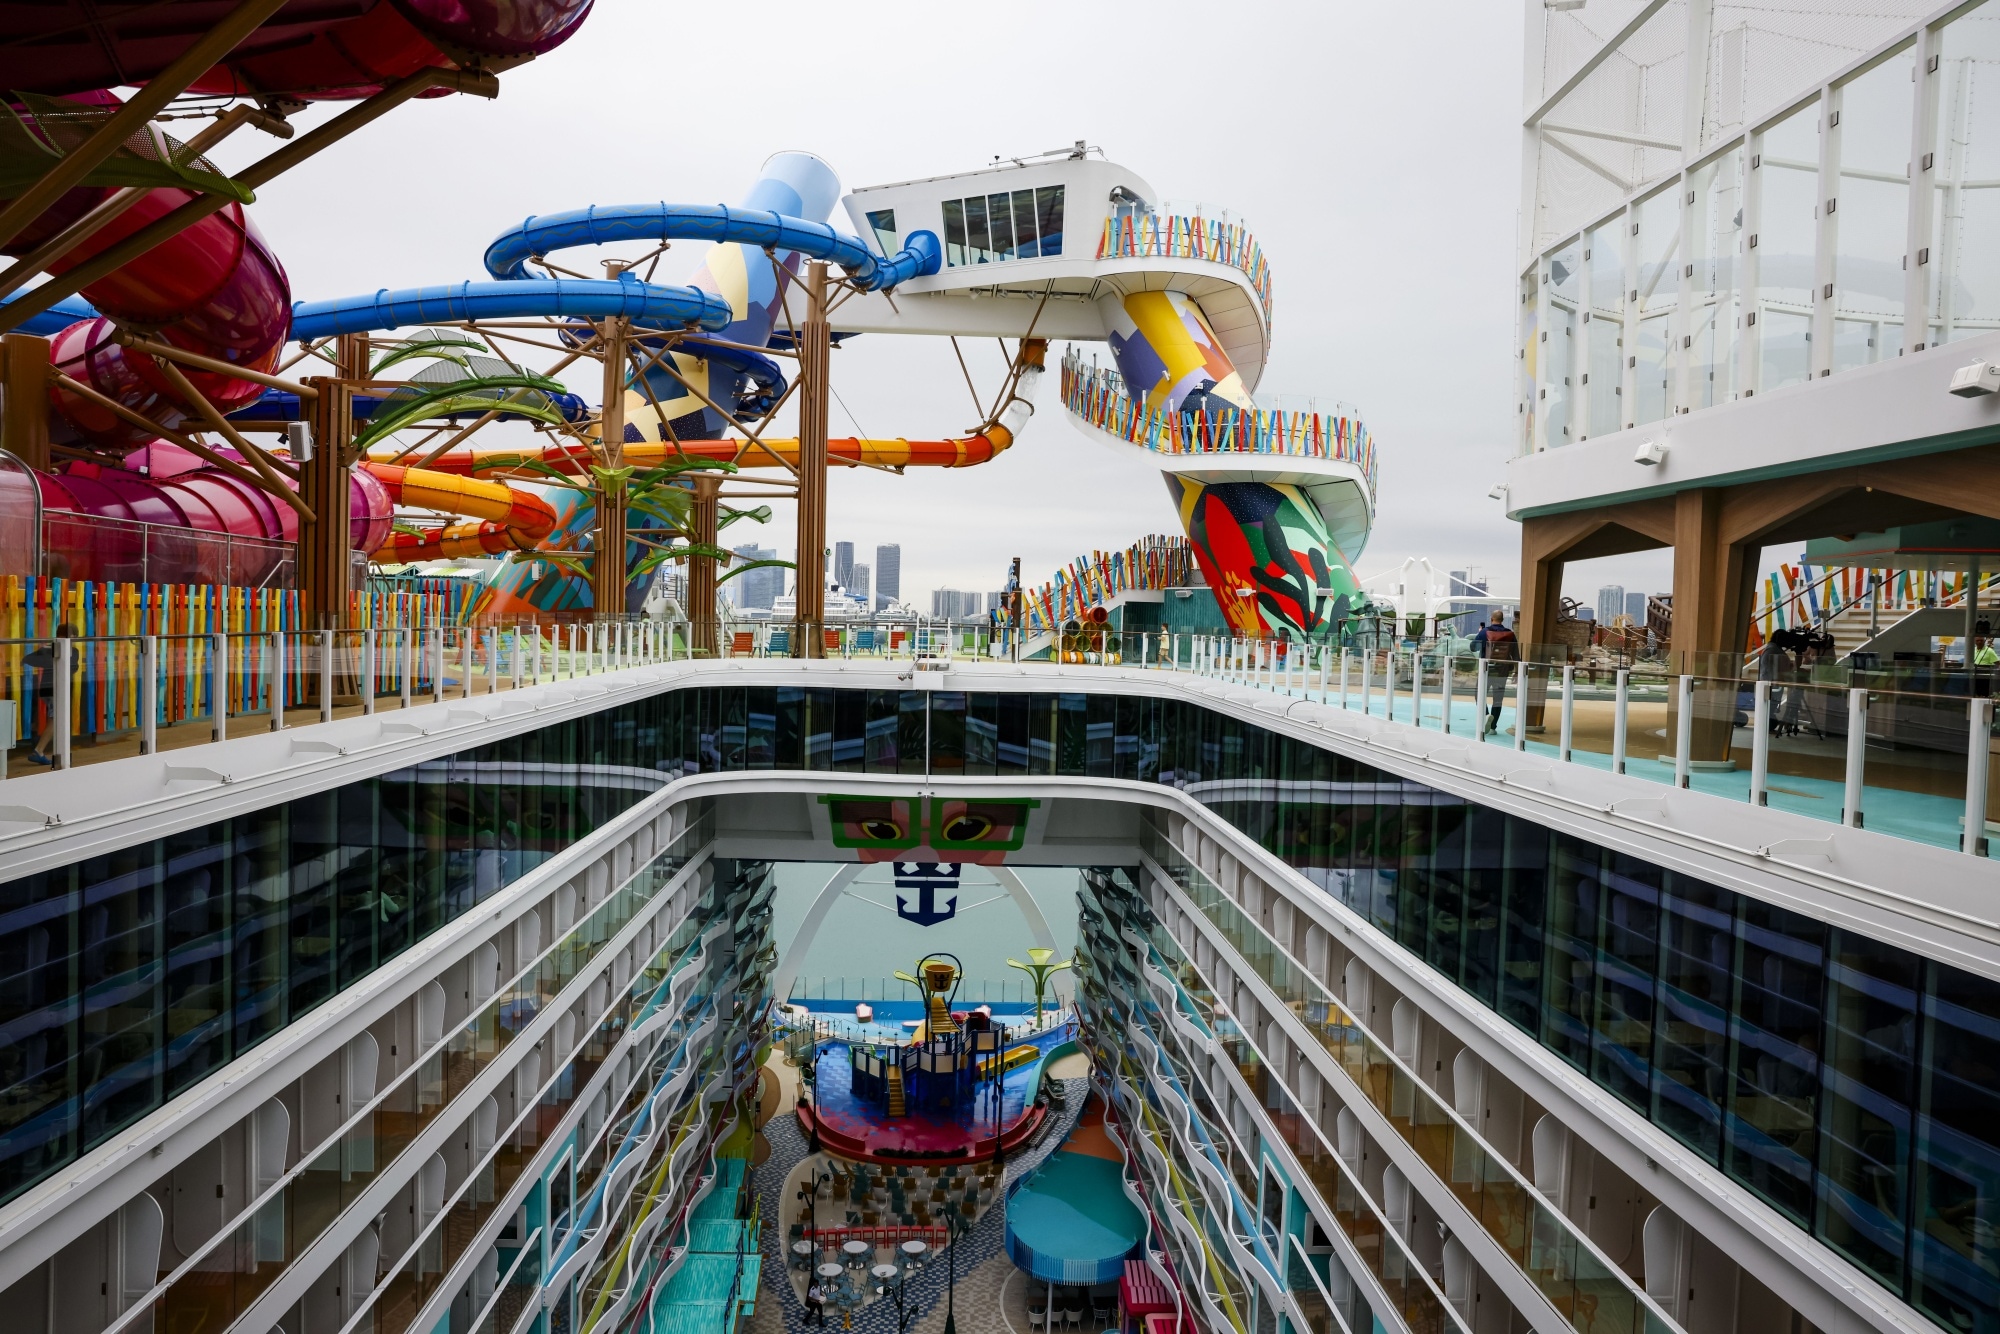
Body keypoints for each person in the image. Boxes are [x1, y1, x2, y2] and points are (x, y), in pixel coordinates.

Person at [23, 623, 78, 766]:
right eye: (73, 636)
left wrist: (47, 660)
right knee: (56, 718)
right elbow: (73, 667)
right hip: (56, 690)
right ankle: (39, 750)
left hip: (46, 689)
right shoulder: (72, 650)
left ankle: (39, 740)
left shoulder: (48, 648)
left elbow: (27, 659)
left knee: (53, 716)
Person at [1472, 609, 1517, 735]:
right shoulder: (1510, 634)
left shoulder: (1485, 632)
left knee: (1479, 695)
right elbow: (1516, 655)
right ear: (1502, 620)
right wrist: (1517, 672)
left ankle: (1486, 715)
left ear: (1491, 619)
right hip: (1502, 671)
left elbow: (1472, 647)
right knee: (1498, 699)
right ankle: (1492, 727)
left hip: (1486, 670)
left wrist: (1479, 634)